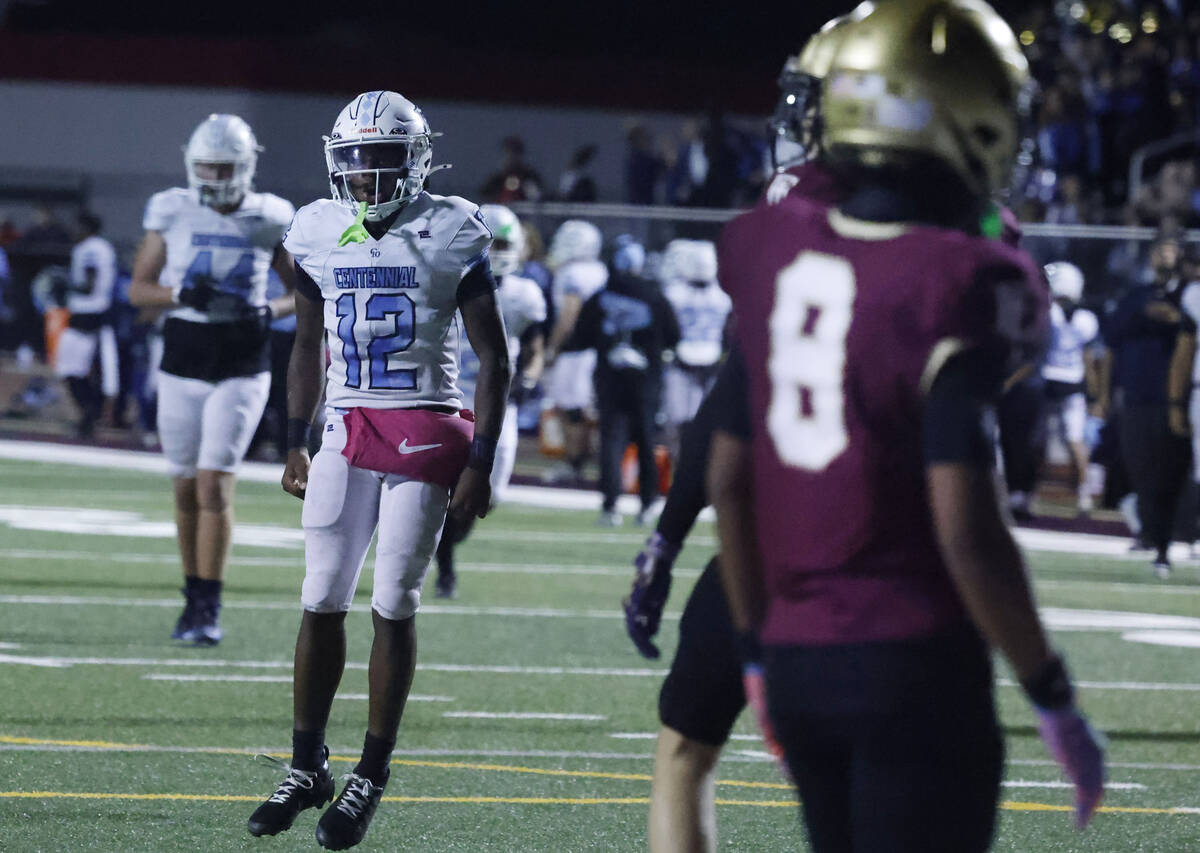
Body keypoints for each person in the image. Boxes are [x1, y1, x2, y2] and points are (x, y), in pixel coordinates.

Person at [709, 3, 1104, 851]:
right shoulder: (964, 275)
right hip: (913, 661)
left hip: (797, 659)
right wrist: (1050, 689)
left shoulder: (770, 248)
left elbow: (729, 480)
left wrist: (753, 649)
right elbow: (966, 526)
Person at [247, 90, 510, 850]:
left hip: (426, 426)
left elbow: (495, 356)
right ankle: (307, 764)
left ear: (416, 160)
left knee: (393, 597)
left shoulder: (450, 227)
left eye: (381, 159)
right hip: (347, 423)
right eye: (354, 160)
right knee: (320, 593)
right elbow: (305, 344)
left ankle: (370, 773)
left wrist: (484, 458)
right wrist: (294, 437)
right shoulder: (318, 227)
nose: (364, 175)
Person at [624, 16, 856, 851]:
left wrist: (669, 535)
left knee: (687, 747)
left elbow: (733, 401)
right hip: (907, 546)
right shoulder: (979, 238)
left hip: (782, 531)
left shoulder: (784, 218)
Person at [129, 114, 297, 645]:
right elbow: (139, 288)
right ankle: (191, 593)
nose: (215, 176)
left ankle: (209, 604)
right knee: (183, 486)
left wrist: (270, 311)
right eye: (206, 166)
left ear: (245, 167)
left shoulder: (271, 215)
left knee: (212, 484)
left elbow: (304, 292)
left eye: (224, 166)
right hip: (184, 351)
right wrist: (181, 295)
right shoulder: (172, 208)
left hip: (242, 358)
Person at [434, 203, 546, 598]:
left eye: (501, 243)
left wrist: (529, 376)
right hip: (449, 399)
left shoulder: (524, 294)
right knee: (447, 489)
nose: (494, 250)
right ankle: (445, 568)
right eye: (487, 241)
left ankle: (440, 546)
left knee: (489, 495)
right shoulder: (447, 279)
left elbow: (535, 346)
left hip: (497, 404)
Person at [565, 234, 679, 527]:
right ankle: (647, 504)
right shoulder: (655, 296)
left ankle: (611, 505)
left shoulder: (602, 296)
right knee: (646, 439)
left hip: (610, 377)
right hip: (646, 380)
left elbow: (581, 336)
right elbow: (674, 336)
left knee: (612, 440)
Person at [1102, 234, 1194, 575]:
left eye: (1172, 250)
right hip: (1138, 396)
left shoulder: (1189, 295)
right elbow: (1111, 341)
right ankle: (1151, 535)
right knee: (1141, 469)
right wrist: (1104, 394)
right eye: (1160, 250)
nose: (1165, 256)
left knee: (1175, 471)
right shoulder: (1135, 296)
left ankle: (1176, 536)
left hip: (1178, 397)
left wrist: (1174, 316)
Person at [542, 219, 607, 483]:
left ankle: (574, 462)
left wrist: (552, 347)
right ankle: (582, 461)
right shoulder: (600, 269)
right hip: (595, 349)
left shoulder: (572, 274)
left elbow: (569, 312)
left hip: (575, 351)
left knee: (571, 410)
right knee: (583, 410)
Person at [659, 239, 730, 460]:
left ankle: (686, 465)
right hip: (701, 359)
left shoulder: (672, 293)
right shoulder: (723, 296)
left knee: (685, 422)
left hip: (686, 360)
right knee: (689, 421)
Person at [1041, 262, 1101, 514]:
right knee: (1075, 441)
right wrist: (1095, 392)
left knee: (1039, 439)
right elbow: (1089, 358)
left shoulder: (1047, 312)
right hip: (1072, 381)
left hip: (1048, 378)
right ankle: (1084, 494)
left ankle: (1022, 491)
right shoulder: (1085, 318)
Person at [54, 211, 119, 438]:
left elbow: (89, 285)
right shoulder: (98, 247)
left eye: (76, 226)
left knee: (71, 369)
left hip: (88, 314)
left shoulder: (91, 248)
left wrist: (65, 286)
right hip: (91, 313)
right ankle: (88, 416)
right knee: (72, 369)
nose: (73, 231)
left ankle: (90, 414)